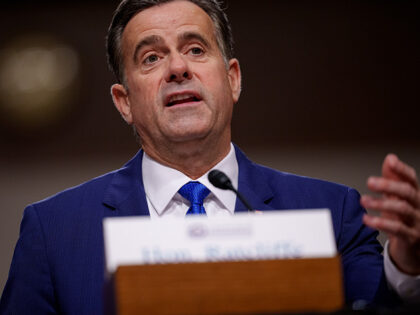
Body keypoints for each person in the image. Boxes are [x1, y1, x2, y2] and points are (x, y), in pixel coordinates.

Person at [0, 0, 419, 314]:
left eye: (196, 49)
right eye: (151, 57)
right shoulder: (53, 232)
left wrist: (405, 265)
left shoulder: (332, 211)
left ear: (233, 79)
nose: (178, 67)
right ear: (124, 102)